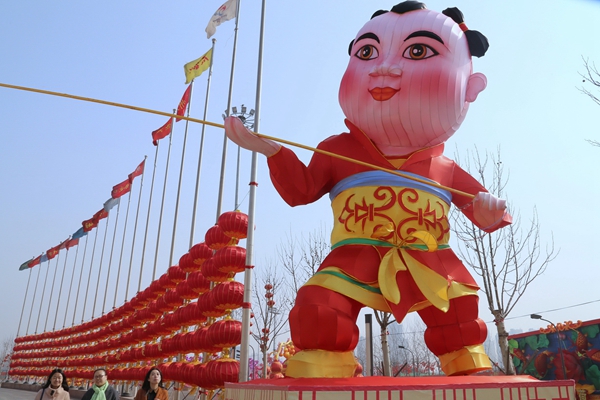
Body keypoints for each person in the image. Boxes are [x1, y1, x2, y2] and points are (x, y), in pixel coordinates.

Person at [224, 1, 511, 378]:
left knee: (460, 319)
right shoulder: (337, 150)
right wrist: (270, 149)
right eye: (367, 52)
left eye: (418, 51)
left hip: (431, 262)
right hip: (353, 257)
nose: (385, 67)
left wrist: (492, 212)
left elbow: (486, 209)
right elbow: (300, 191)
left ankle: (465, 364)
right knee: (317, 312)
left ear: (470, 87)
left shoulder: (445, 169)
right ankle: (329, 364)